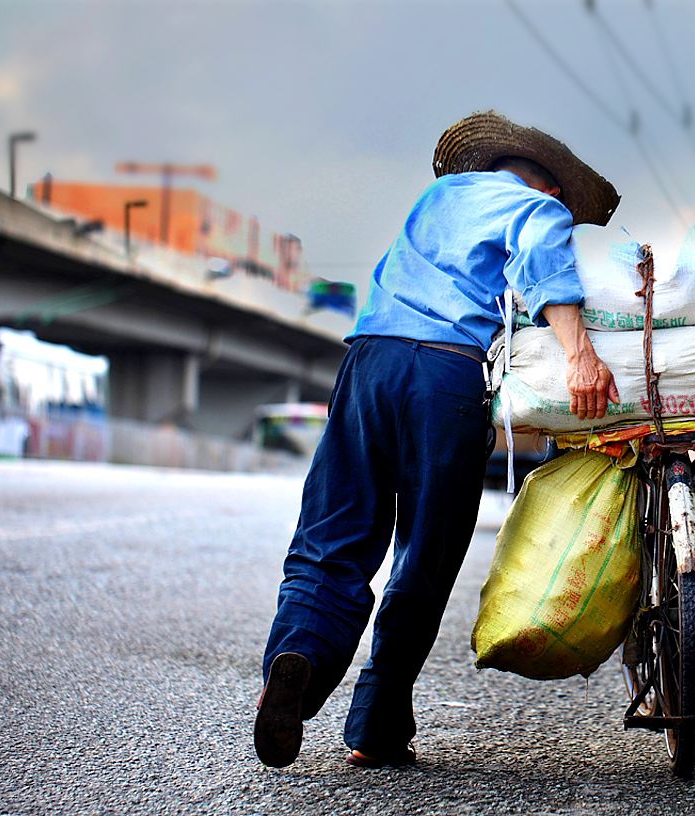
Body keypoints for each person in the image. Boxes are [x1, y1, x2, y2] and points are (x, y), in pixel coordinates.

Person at [254, 111, 622, 769]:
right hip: (446, 373)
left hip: (369, 358)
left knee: (332, 530)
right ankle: (377, 720)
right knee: (425, 548)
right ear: (554, 187)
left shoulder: (439, 198)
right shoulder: (539, 209)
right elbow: (545, 271)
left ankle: (300, 656)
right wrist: (580, 356)